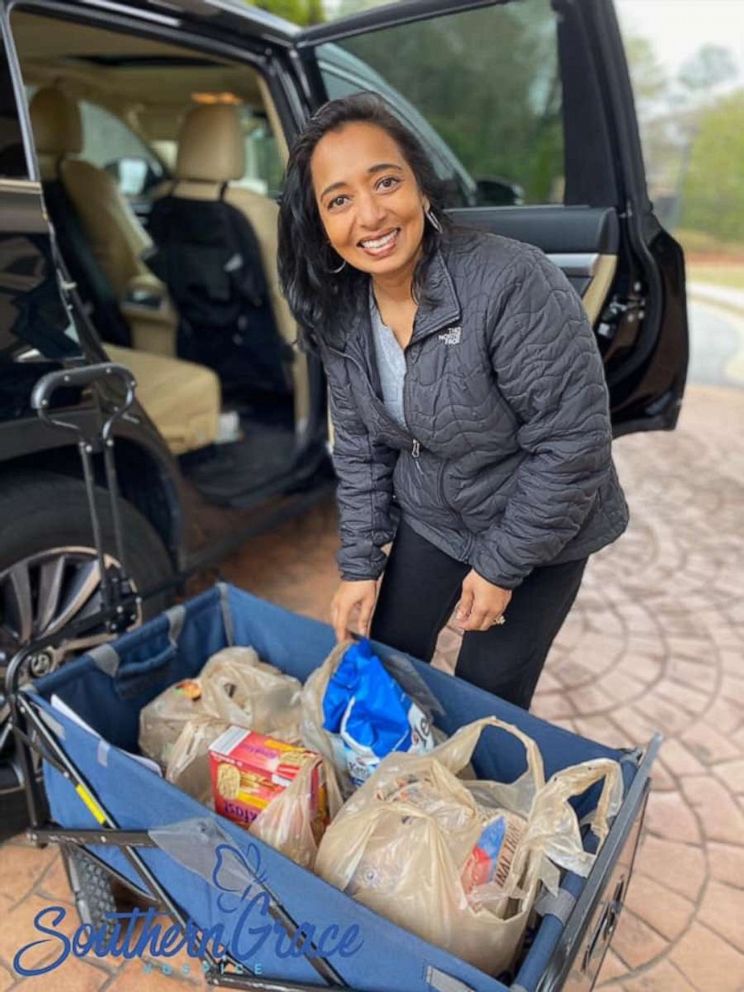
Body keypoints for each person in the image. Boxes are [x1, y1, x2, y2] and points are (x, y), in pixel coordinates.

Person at [277, 93, 629, 710]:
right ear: (320, 222)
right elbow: (360, 448)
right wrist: (360, 566)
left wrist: (499, 569)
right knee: (388, 657)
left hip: (543, 521)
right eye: (339, 200)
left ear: (422, 188)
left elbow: (573, 447)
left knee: (483, 694)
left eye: (385, 182)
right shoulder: (341, 311)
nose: (369, 215)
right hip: (437, 511)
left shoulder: (511, 281)